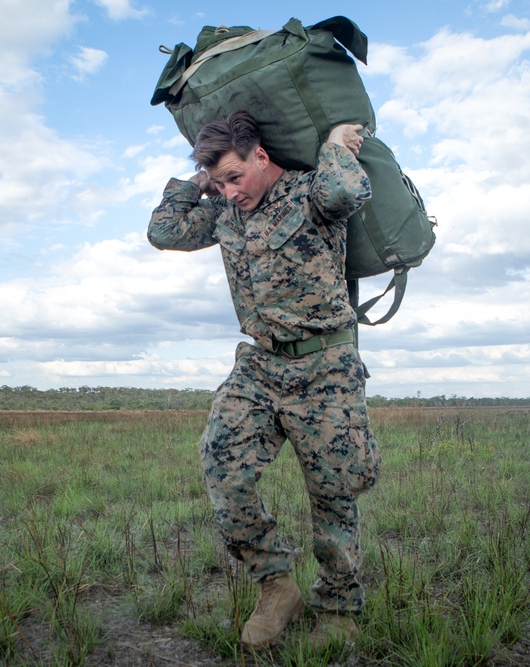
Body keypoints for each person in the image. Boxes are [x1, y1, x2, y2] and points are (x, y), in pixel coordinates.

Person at [147, 110, 381, 650]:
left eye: (236, 176)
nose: (230, 191)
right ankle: (276, 586)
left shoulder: (309, 194)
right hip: (258, 366)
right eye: (220, 182)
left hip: (326, 369)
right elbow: (163, 231)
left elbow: (348, 193)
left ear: (262, 155)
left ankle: (339, 609)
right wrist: (199, 181)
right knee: (222, 468)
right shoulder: (226, 212)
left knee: (333, 494)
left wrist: (333, 145)